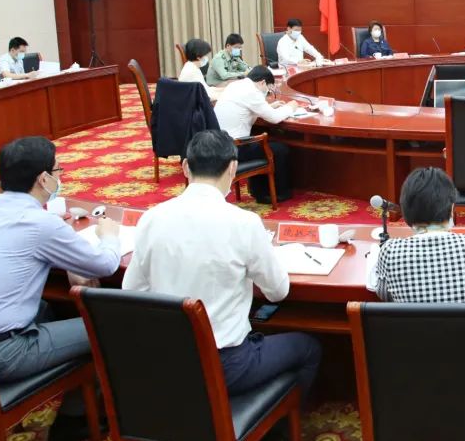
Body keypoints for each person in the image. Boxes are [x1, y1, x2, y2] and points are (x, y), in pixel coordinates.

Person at [123, 130, 321, 399]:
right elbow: (278, 292)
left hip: (167, 359)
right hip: (228, 365)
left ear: (185, 167)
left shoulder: (151, 218)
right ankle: (271, 419)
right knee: (308, 348)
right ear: (233, 167)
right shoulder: (244, 223)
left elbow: (131, 291)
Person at [0, 137, 121, 383]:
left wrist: (68, 261)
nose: (60, 176)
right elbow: (105, 265)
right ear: (44, 179)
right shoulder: (41, 223)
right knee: (115, 325)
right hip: (5, 352)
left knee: (46, 307)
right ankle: (100, 397)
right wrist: (109, 236)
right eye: (58, 170)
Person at [366, 167, 465, 310]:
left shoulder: (390, 251)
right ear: (451, 208)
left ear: (406, 213)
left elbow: (385, 295)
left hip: (413, 334)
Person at [213, 66, 299, 204]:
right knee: (280, 149)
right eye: (268, 89)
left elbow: (247, 111)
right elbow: (275, 118)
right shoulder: (252, 92)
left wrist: (269, 107)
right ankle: (275, 194)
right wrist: (291, 107)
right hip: (236, 148)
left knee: (262, 144)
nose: (267, 93)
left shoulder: (235, 85)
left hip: (219, 144)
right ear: (262, 82)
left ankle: (258, 191)